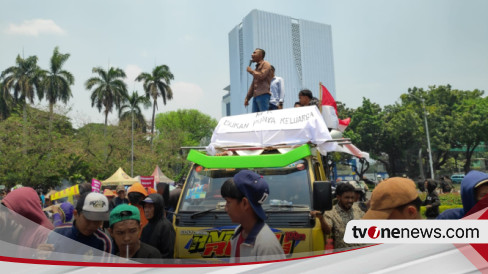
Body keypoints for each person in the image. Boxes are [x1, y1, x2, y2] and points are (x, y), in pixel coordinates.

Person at [221, 170, 285, 263]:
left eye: (228, 202)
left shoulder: (267, 246)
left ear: (244, 203)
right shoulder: (238, 233)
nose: (225, 208)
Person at [46, 192, 113, 256]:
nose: (92, 225)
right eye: (88, 219)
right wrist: (41, 254)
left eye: (98, 220)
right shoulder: (58, 233)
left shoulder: (103, 242)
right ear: (75, 214)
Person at [311, 182, 364, 250]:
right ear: (338, 197)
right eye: (347, 198)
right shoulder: (331, 212)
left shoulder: (357, 209)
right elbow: (327, 231)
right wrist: (321, 218)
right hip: (344, 255)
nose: (350, 200)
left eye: (352, 197)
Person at [1, 187, 54, 255]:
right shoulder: (27, 228)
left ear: (23, 210)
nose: (9, 217)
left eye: (11, 213)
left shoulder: (44, 232)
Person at [140, 194, 175, 258]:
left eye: (150, 207)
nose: (146, 210)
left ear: (157, 208)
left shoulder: (166, 227)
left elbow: (167, 254)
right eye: (145, 207)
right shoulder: (146, 227)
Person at [244, 48, 273, 113]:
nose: (252, 55)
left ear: (261, 55)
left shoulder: (266, 64)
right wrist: (247, 98)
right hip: (256, 97)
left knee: (264, 117)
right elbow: (253, 85)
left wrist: (251, 71)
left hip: (263, 96)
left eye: (254, 53)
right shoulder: (256, 68)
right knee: (255, 119)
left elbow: (262, 75)